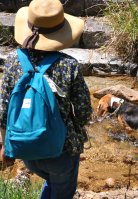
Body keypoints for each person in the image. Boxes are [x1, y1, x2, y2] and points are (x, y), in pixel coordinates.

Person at [0, 0, 93, 198]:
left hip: (25, 148)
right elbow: (84, 111)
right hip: (61, 150)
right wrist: (76, 127)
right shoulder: (69, 65)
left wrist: (4, 145)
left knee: (49, 181)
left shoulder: (12, 62)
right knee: (62, 190)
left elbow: (3, 112)